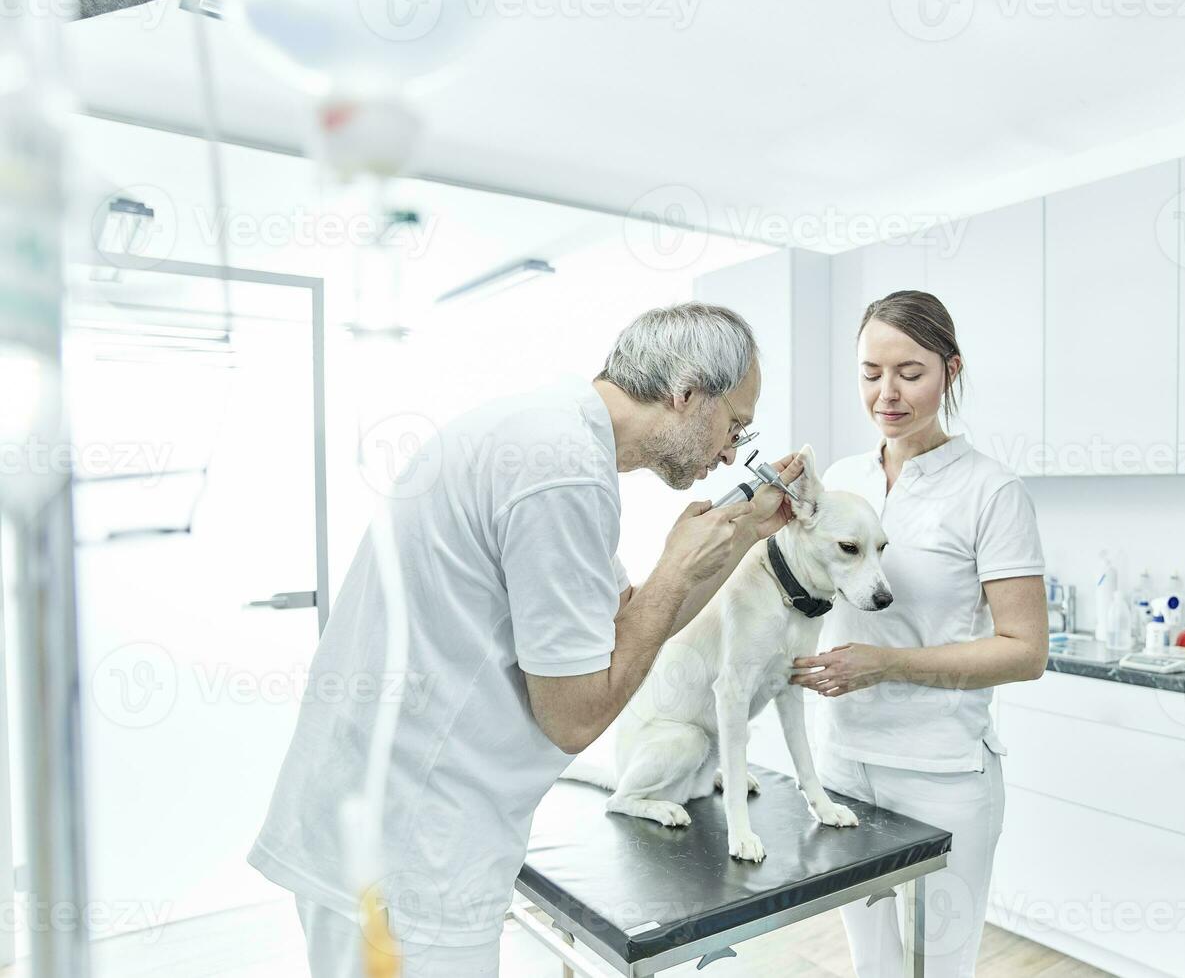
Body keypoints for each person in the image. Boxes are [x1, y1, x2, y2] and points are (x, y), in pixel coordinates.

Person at [249, 303, 802, 977]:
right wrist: (673, 567)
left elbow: (624, 624)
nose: (730, 451)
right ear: (686, 392)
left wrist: (742, 532)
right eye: (733, 424)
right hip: (414, 856)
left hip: (385, 829)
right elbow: (573, 716)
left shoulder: (545, 435)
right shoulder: (560, 468)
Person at [790, 290, 1049, 977]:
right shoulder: (840, 481)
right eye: (871, 373)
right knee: (871, 964)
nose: (887, 393)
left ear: (950, 370)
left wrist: (887, 664)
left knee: (939, 966)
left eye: (910, 372)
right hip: (843, 759)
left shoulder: (989, 491)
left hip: (941, 770)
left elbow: (1024, 652)